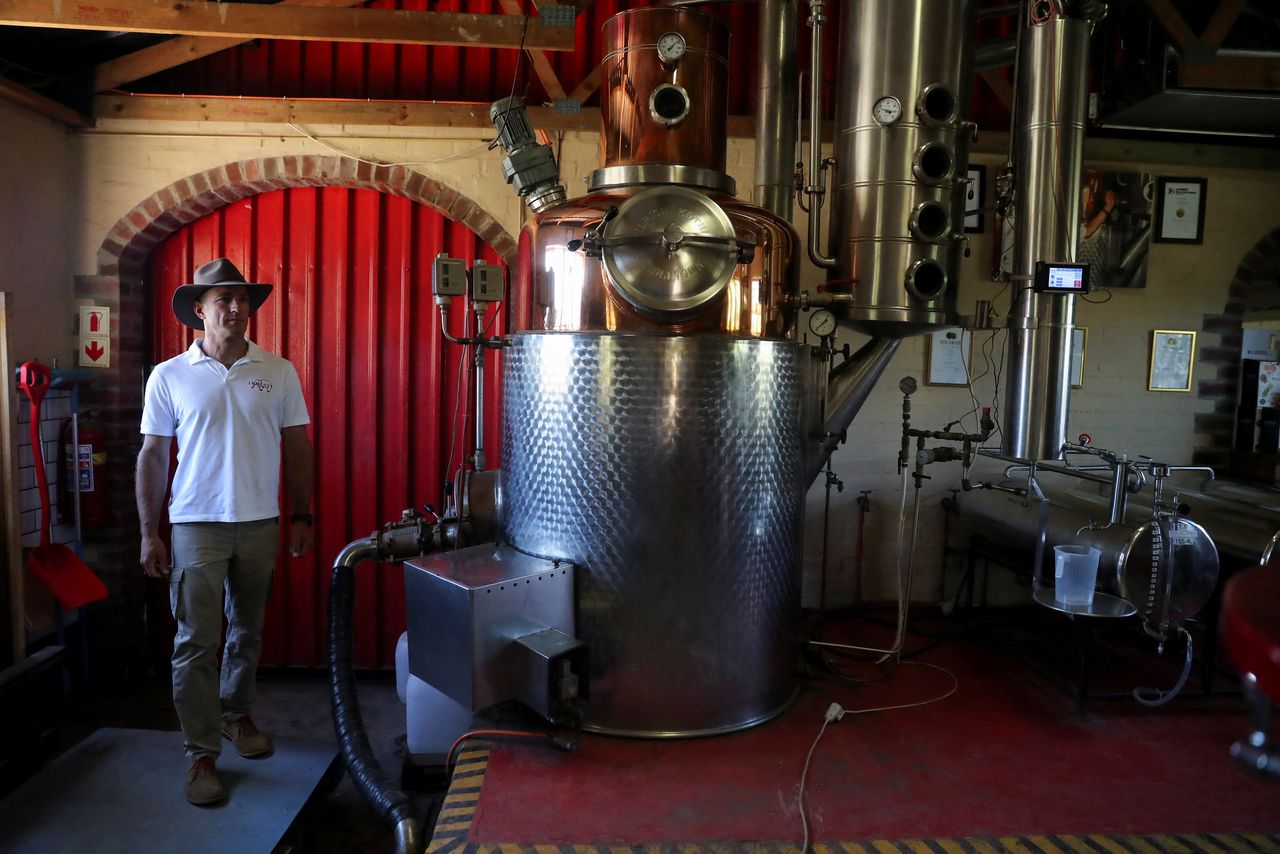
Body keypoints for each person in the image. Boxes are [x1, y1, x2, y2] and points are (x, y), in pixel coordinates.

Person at [136, 257, 314, 806]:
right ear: (199, 310)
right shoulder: (169, 375)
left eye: (243, 299)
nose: (236, 308)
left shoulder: (278, 371)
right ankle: (200, 754)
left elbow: (299, 446)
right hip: (195, 525)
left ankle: (237, 717)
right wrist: (150, 532)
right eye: (223, 300)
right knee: (195, 641)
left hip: (259, 523)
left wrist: (301, 514)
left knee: (248, 631)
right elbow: (153, 454)